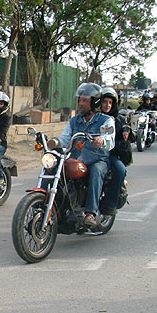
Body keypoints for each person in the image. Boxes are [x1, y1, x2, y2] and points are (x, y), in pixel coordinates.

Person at [53, 83, 115, 227]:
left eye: (85, 101)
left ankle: (90, 213)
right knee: (53, 166)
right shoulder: (74, 121)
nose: (81, 104)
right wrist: (54, 142)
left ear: (95, 102)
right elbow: (65, 139)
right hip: (76, 159)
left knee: (96, 171)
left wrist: (102, 140)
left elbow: (109, 139)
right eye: (80, 100)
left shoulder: (106, 120)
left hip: (97, 160)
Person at [99, 87, 131, 216]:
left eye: (110, 102)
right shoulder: (93, 116)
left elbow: (130, 133)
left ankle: (110, 204)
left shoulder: (118, 119)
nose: (107, 105)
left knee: (120, 170)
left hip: (110, 154)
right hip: (90, 153)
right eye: (104, 101)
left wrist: (127, 132)